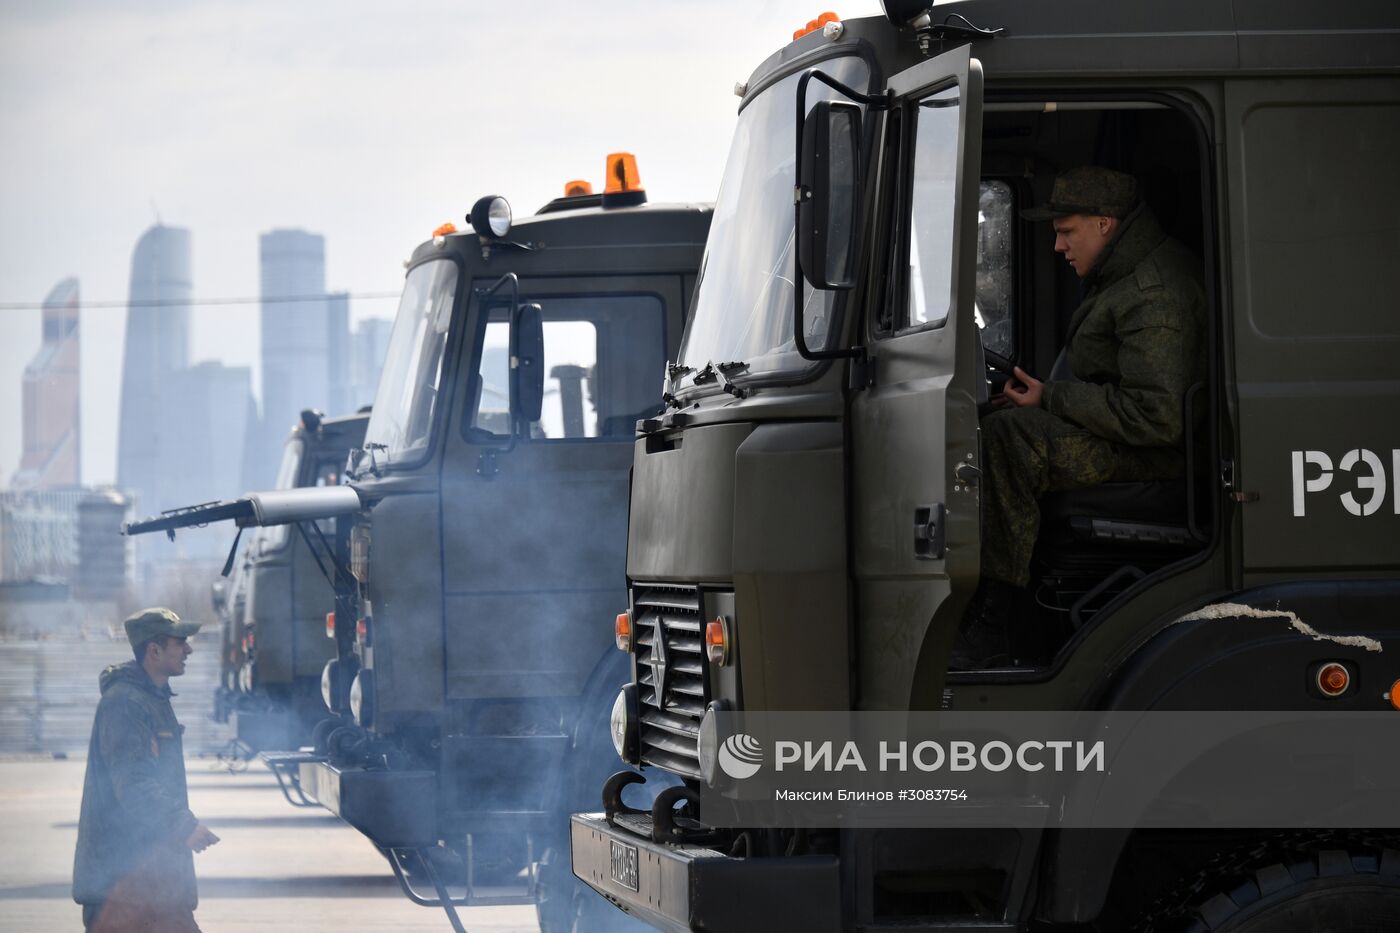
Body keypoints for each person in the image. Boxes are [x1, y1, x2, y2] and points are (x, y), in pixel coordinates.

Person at [954, 167, 1206, 668]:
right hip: (1126, 437)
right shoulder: (1121, 273)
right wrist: (1043, 397)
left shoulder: (1152, 293)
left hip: (1152, 455)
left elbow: (1157, 418)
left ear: (1105, 224)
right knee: (993, 426)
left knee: (1010, 442)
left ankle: (999, 623)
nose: (1057, 246)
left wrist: (1052, 399)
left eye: (1067, 232)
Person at [72, 607, 221, 931]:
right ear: (154, 650)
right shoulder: (126, 704)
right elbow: (135, 784)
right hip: (122, 888)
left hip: (152, 883)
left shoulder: (151, 699)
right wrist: (183, 825)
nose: (189, 650)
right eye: (180, 642)